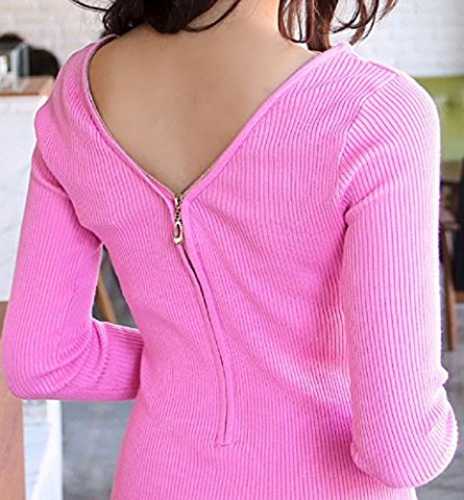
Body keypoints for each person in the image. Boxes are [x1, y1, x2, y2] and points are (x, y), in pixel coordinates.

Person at [0, 1, 459, 499]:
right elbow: (400, 447)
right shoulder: (375, 112)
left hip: (158, 481)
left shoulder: (76, 97)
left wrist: (182, 362)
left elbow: (42, 358)